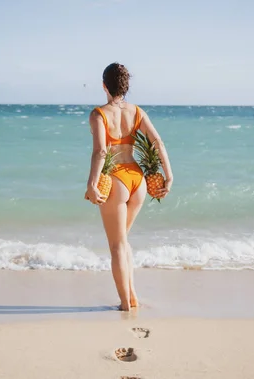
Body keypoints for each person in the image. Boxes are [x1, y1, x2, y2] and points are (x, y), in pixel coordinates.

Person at [84, 62, 173, 311]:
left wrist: (92, 184)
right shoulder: (137, 111)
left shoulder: (98, 114)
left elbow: (101, 151)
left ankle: (124, 305)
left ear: (104, 86)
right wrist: (169, 174)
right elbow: (158, 142)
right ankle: (132, 297)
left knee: (116, 245)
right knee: (123, 241)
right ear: (126, 86)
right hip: (138, 180)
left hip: (116, 181)